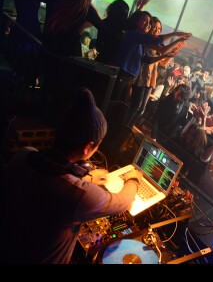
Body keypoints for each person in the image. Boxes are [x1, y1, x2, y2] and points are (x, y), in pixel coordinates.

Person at [0, 88, 143, 264]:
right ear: (87, 147)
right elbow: (122, 202)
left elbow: (52, 176)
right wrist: (134, 178)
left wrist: (87, 179)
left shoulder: (23, 156)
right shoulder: (80, 195)